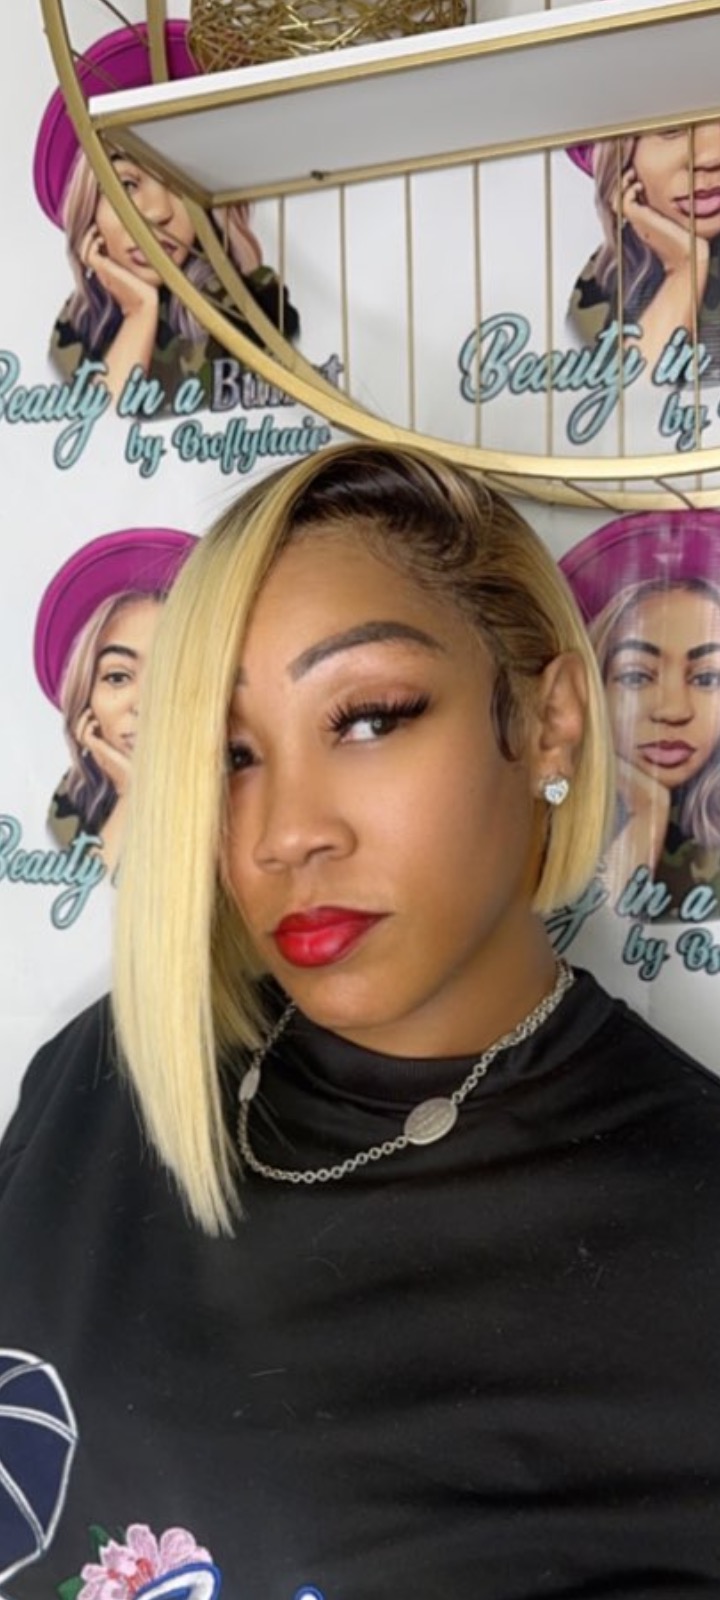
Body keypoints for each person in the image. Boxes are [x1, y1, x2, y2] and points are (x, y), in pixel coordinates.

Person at [3, 444, 720, 1600]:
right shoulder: (97, 1081)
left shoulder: (690, 1239)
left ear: (549, 720)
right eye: (232, 753)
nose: (286, 830)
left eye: (371, 719)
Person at [34, 22, 299, 405]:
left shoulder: (260, 308)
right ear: (88, 208)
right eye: (127, 184)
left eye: (180, 181)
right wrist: (139, 311)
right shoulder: (75, 328)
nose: (158, 212)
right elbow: (107, 420)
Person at [561, 509, 720, 911]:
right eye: (636, 676)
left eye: (706, 678)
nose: (673, 710)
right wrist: (644, 808)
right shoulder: (538, 816)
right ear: (591, 685)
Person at [34, 527, 196, 874]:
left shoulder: (248, 792)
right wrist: (131, 793)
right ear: (85, 699)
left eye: (172, 672)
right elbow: (91, 892)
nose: (145, 705)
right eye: (118, 677)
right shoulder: (72, 805)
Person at [568, 123, 720, 375]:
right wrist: (684, 268)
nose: (710, 158)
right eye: (672, 129)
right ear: (620, 160)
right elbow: (635, 394)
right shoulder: (603, 283)